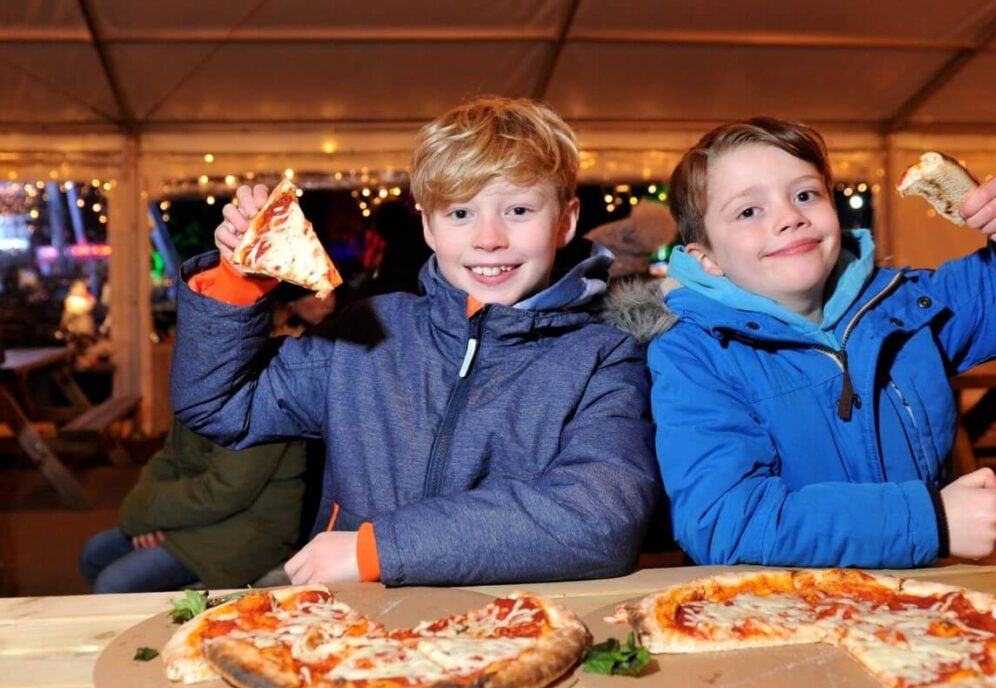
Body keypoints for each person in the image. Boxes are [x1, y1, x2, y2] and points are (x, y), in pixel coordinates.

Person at [170, 97, 658, 587]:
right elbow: (223, 404)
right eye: (460, 212)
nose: (489, 238)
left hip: (510, 630)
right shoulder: (368, 334)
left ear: (565, 221)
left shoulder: (601, 357)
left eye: (518, 209)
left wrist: (378, 549)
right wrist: (237, 279)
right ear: (427, 224)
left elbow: (601, 515)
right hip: (357, 633)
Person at [643, 118, 996, 567]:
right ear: (707, 258)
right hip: (777, 611)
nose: (790, 217)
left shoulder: (905, 305)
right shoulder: (694, 354)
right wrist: (929, 521)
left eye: (804, 195)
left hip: (919, 600)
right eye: (748, 211)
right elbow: (724, 520)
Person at [79, 417, 307, 593]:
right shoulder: (203, 381)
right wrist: (147, 516)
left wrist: (146, 511)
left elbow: (224, 490)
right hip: (203, 513)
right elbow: (169, 457)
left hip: (251, 528)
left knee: (113, 584)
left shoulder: (259, 397)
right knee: (94, 553)